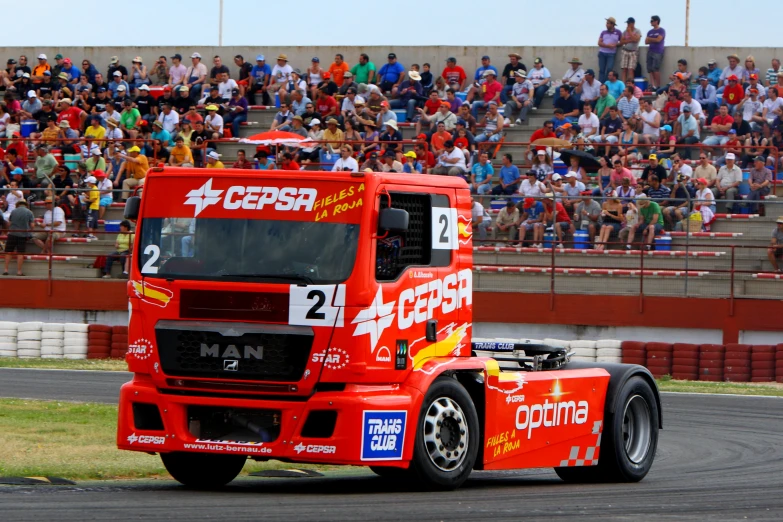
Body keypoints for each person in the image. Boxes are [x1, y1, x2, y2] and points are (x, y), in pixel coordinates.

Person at [3, 200, 34, 276]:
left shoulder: (13, 211)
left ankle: (6, 269)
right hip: (22, 235)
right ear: (25, 205)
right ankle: (19, 271)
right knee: (20, 253)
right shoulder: (29, 212)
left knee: (8, 252)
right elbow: (32, 225)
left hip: (12, 234)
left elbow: (9, 223)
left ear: (18, 205)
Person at [597, 17, 622, 83]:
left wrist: (615, 45)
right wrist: (607, 46)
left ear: (612, 24)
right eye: (606, 23)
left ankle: (606, 83)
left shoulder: (618, 32)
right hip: (602, 52)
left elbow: (622, 42)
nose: (606, 25)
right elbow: (599, 43)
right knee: (602, 70)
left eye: (608, 23)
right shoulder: (603, 32)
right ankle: (601, 84)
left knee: (609, 69)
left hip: (611, 54)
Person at [645, 15, 666, 90]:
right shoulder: (650, 31)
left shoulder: (661, 30)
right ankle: (652, 85)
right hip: (650, 51)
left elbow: (658, 40)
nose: (651, 22)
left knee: (656, 69)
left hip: (658, 52)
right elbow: (646, 41)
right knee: (650, 69)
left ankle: (658, 85)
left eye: (652, 21)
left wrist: (650, 39)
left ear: (656, 21)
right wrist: (653, 39)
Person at [619, 18, 642, 83]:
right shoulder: (624, 32)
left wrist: (630, 32)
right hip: (625, 51)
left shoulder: (637, 31)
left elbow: (636, 40)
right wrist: (630, 40)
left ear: (633, 23)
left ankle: (630, 85)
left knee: (631, 69)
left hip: (633, 51)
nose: (628, 24)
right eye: (627, 23)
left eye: (629, 23)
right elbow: (621, 42)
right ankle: (623, 85)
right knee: (624, 69)